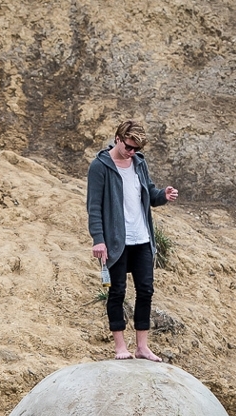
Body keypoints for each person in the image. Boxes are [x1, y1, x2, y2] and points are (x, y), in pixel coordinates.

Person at [87, 119, 178, 361]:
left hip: (142, 238)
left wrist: (163, 195)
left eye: (136, 149)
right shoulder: (100, 166)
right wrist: (98, 239)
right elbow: (94, 206)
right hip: (116, 240)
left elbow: (149, 193)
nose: (132, 152)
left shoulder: (139, 164)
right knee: (117, 292)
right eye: (128, 147)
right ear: (118, 139)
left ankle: (142, 346)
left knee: (146, 290)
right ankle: (120, 347)